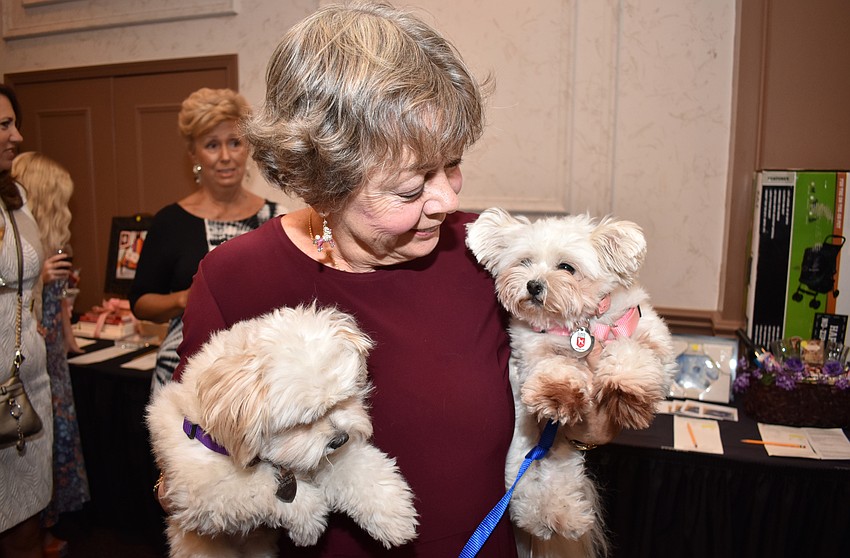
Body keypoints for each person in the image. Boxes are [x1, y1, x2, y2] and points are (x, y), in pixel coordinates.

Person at [169, 3, 622, 556]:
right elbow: (189, 475)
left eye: (451, 164)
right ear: (324, 180)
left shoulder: (489, 256)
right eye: (411, 189)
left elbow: (588, 426)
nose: (448, 199)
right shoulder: (234, 280)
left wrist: (597, 386)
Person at [128, 87, 279, 392]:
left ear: (247, 147)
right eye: (212, 145)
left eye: (235, 143)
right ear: (193, 153)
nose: (225, 156)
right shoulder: (170, 222)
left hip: (262, 380)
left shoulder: (277, 219)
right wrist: (186, 298)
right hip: (183, 378)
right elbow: (141, 303)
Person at [12, 151, 90, 554]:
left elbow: (60, 316)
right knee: (31, 446)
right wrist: (39, 280)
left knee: (52, 440)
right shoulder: (19, 252)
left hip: (53, 360)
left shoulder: (50, 243)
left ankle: (43, 526)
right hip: (27, 362)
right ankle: (33, 532)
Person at [0, 84, 54, 558]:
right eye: (3, 125)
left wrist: (31, 315)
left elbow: (26, 272)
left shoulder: (14, 195)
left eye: (14, 122)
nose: (17, 136)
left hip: (26, 380)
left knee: (28, 515)